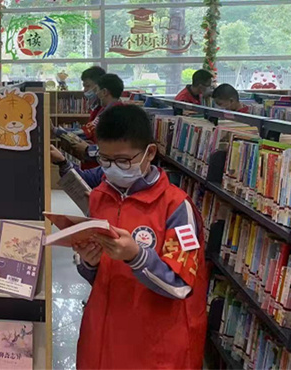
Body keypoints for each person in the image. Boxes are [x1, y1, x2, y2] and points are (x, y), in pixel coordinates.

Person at [74, 105, 208, 369]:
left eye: (123, 161)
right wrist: (89, 262)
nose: (113, 168)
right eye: (105, 160)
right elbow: (97, 275)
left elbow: (182, 284)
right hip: (103, 332)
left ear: (150, 153)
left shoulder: (176, 206)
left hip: (155, 343)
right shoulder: (99, 196)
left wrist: (136, 256)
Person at [81, 73, 124, 142]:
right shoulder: (105, 109)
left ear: (104, 92)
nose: (96, 93)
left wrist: (87, 147)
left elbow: (109, 142)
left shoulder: (114, 114)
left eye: (97, 90)